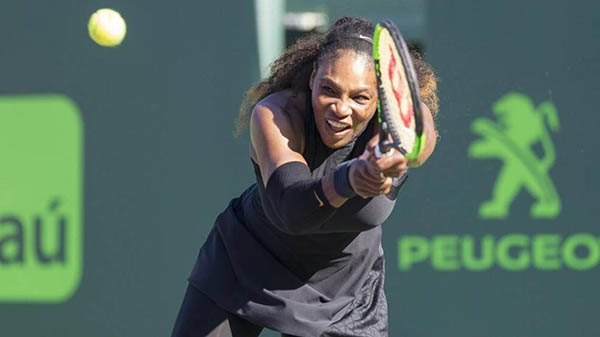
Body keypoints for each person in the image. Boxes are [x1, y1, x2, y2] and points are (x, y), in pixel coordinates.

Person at [172, 16, 438, 337]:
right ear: (313, 78)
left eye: (359, 97)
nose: (340, 108)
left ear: (380, 98)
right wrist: (352, 177)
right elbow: (292, 209)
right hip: (245, 266)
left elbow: (420, 138)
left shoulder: (396, 126)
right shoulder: (277, 115)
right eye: (329, 89)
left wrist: (400, 156)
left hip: (345, 295)